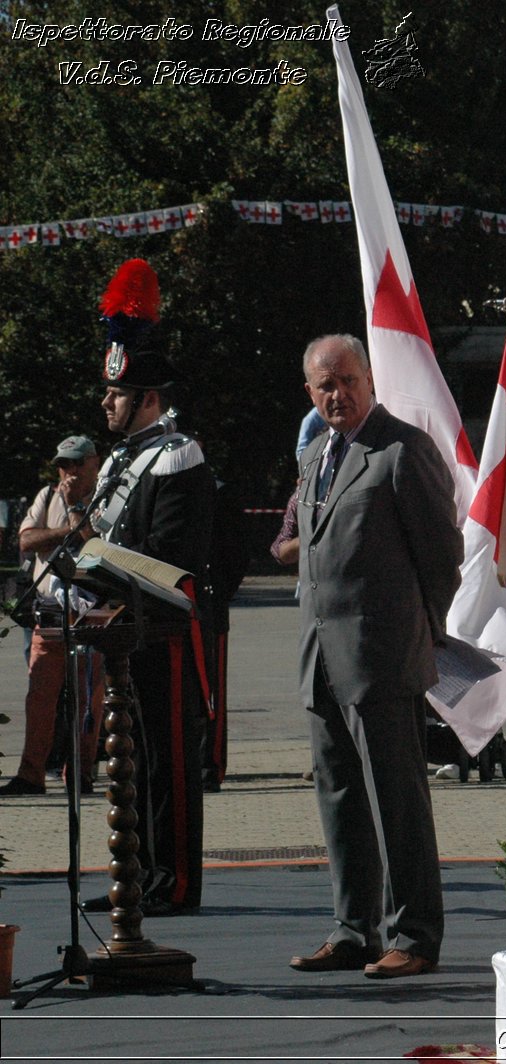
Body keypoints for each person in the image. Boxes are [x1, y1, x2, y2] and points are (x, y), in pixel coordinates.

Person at [289, 334, 461, 979]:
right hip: (321, 659)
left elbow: (441, 558)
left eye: (348, 380)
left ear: (369, 379)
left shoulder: (401, 451)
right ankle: (352, 929)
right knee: (340, 799)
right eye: (324, 385)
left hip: (382, 659)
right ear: (309, 392)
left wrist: (421, 633)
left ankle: (413, 935)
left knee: (397, 802)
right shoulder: (313, 456)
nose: (338, 394)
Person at [87, 259, 215, 915]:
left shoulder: (176, 454)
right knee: (131, 762)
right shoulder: (121, 459)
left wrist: (99, 562)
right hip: (123, 631)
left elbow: (170, 557)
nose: (106, 403)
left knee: (168, 763)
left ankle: (177, 881)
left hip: (161, 630)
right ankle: (138, 875)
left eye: (117, 395)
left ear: (149, 399)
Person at [0, 436, 107, 798]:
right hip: (48, 614)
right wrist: (65, 532)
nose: (69, 472)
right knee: (40, 698)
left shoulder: (108, 495)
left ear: (95, 462)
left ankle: (80, 774)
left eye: (77, 463)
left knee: (87, 699)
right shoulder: (46, 496)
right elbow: (27, 541)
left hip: (91, 614)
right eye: (63, 464)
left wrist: (75, 509)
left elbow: (93, 544)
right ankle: (31, 775)